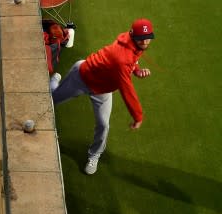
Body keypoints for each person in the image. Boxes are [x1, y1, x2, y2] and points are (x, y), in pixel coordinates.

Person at [51, 18, 155, 175]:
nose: (145, 42)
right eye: (141, 39)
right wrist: (138, 116)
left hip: (103, 90)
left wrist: (137, 71)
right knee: (51, 101)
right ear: (133, 36)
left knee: (103, 125)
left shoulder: (133, 43)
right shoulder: (122, 57)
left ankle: (94, 154)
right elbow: (127, 89)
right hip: (82, 77)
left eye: (148, 38)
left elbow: (133, 59)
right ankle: (54, 85)